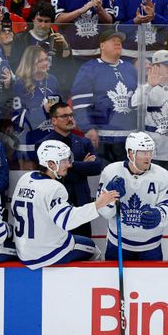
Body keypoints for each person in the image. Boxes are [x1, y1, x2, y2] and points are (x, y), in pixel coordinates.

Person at [11, 140, 119, 269]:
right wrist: (98, 204)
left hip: (24, 251)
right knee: (93, 249)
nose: (68, 164)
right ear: (51, 164)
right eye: (63, 161)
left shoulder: (25, 178)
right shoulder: (54, 187)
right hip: (47, 253)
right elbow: (67, 221)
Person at [97, 132, 168, 261]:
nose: (148, 157)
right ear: (131, 153)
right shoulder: (111, 172)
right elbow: (105, 212)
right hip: (118, 244)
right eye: (143, 152)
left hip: (151, 246)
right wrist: (110, 198)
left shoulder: (162, 175)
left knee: (151, 282)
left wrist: (159, 215)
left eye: (150, 152)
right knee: (113, 282)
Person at [36, 102, 103, 238]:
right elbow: (48, 174)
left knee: (85, 248)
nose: (70, 119)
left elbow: (96, 167)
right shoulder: (43, 145)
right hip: (56, 204)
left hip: (81, 203)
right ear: (54, 120)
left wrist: (70, 165)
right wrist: (82, 165)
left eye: (71, 115)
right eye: (65, 116)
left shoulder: (84, 142)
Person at [70, 29, 138, 162]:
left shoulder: (130, 68)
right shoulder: (89, 68)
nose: (118, 43)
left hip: (130, 136)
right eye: (113, 41)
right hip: (103, 138)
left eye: (119, 41)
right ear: (102, 45)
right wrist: (87, 127)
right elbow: (80, 102)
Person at [10, 45, 61, 167]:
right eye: (40, 61)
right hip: (29, 141)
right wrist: (43, 110)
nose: (45, 63)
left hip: (51, 139)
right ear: (30, 63)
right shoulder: (20, 84)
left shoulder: (53, 80)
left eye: (46, 59)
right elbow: (17, 119)